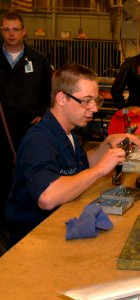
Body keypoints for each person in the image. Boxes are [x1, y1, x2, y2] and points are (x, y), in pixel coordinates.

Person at [3, 64, 140, 249]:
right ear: (61, 98)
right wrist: (100, 170)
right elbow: (47, 197)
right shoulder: (39, 140)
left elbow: (78, 166)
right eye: (86, 101)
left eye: (96, 100)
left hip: (56, 227)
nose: (94, 108)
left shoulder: (67, 132)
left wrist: (105, 145)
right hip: (30, 240)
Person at [0, 10, 53, 228]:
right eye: (6, 29)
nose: (11, 34)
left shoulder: (38, 60)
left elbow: (49, 93)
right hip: (2, 132)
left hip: (29, 131)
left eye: (15, 29)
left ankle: (29, 221)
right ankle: (3, 223)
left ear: (24, 31)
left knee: (29, 176)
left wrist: (42, 113)